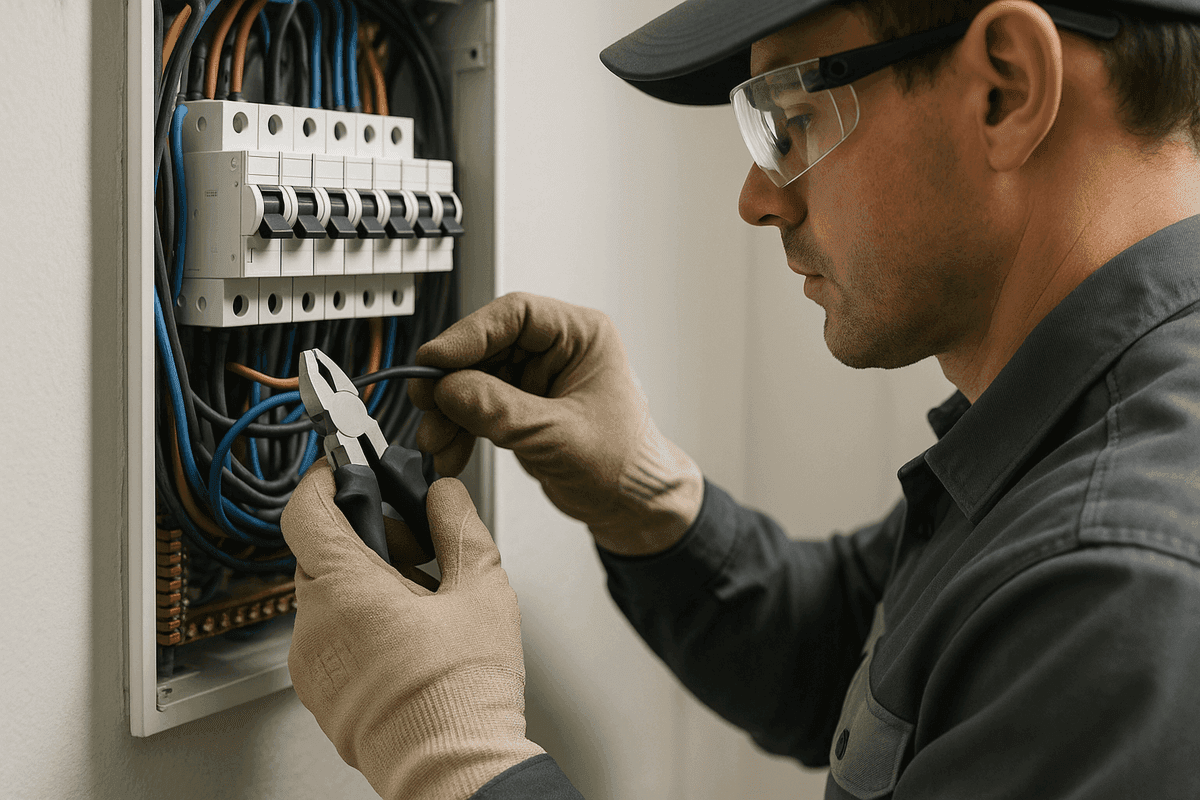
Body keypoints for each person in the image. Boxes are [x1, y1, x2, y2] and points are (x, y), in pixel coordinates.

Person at [280, 0, 1200, 797]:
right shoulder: (1082, 436)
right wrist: (650, 502)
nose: (758, 198)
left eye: (788, 121)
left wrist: (456, 754)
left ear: (1005, 87)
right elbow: (857, 654)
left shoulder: (1125, 585)